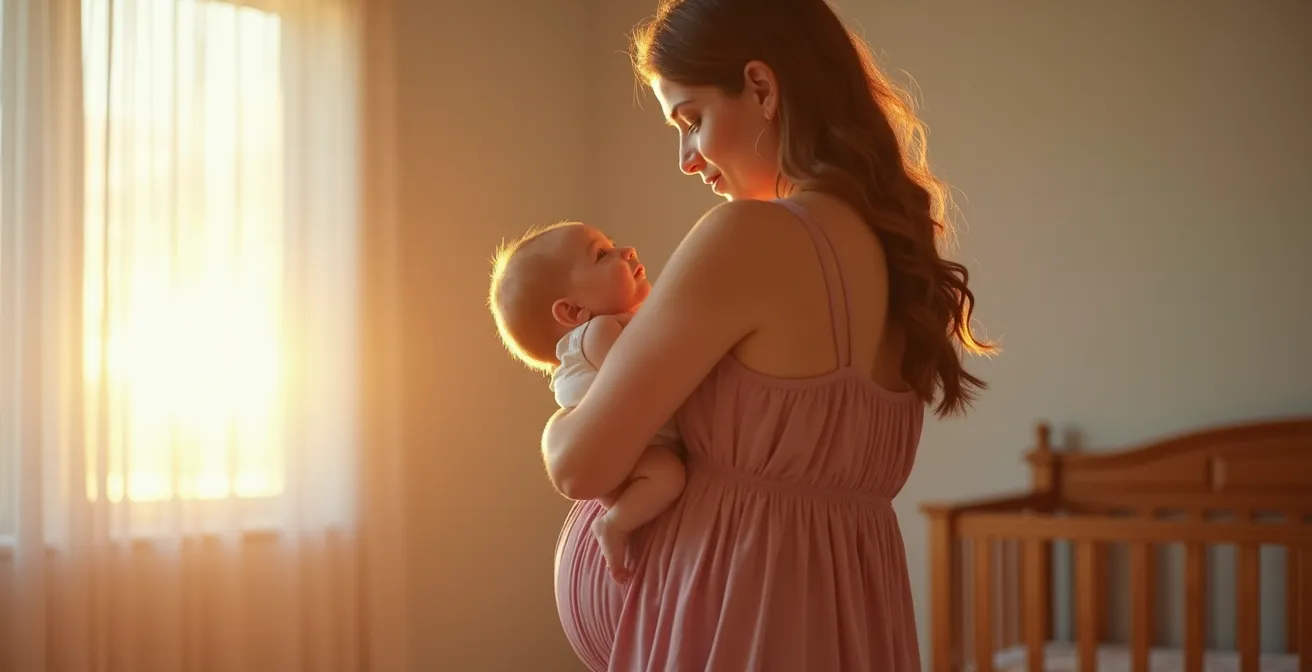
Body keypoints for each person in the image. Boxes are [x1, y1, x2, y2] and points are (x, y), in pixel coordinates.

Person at [543, 0, 993, 669]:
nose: (685, 159)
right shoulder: (894, 261)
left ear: (760, 87)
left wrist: (555, 425)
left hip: (739, 629)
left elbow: (579, 465)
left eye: (691, 120)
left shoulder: (750, 237)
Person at [487, 221, 686, 584]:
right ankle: (614, 524)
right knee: (669, 478)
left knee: (668, 477)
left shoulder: (615, 327)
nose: (625, 251)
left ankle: (619, 518)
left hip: (634, 454)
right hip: (622, 457)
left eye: (611, 243)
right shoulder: (597, 333)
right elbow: (640, 377)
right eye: (601, 255)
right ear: (573, 313)